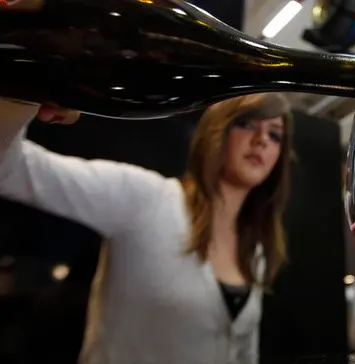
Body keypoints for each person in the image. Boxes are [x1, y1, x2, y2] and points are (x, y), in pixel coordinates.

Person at [0, 93, 293, 364]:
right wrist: (24, 94)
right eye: (245, 124)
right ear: (216, 131)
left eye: (275, 134)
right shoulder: (145, 199)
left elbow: (244, 353)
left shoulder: (253, 250)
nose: (261, 140)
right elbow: (12, 169)